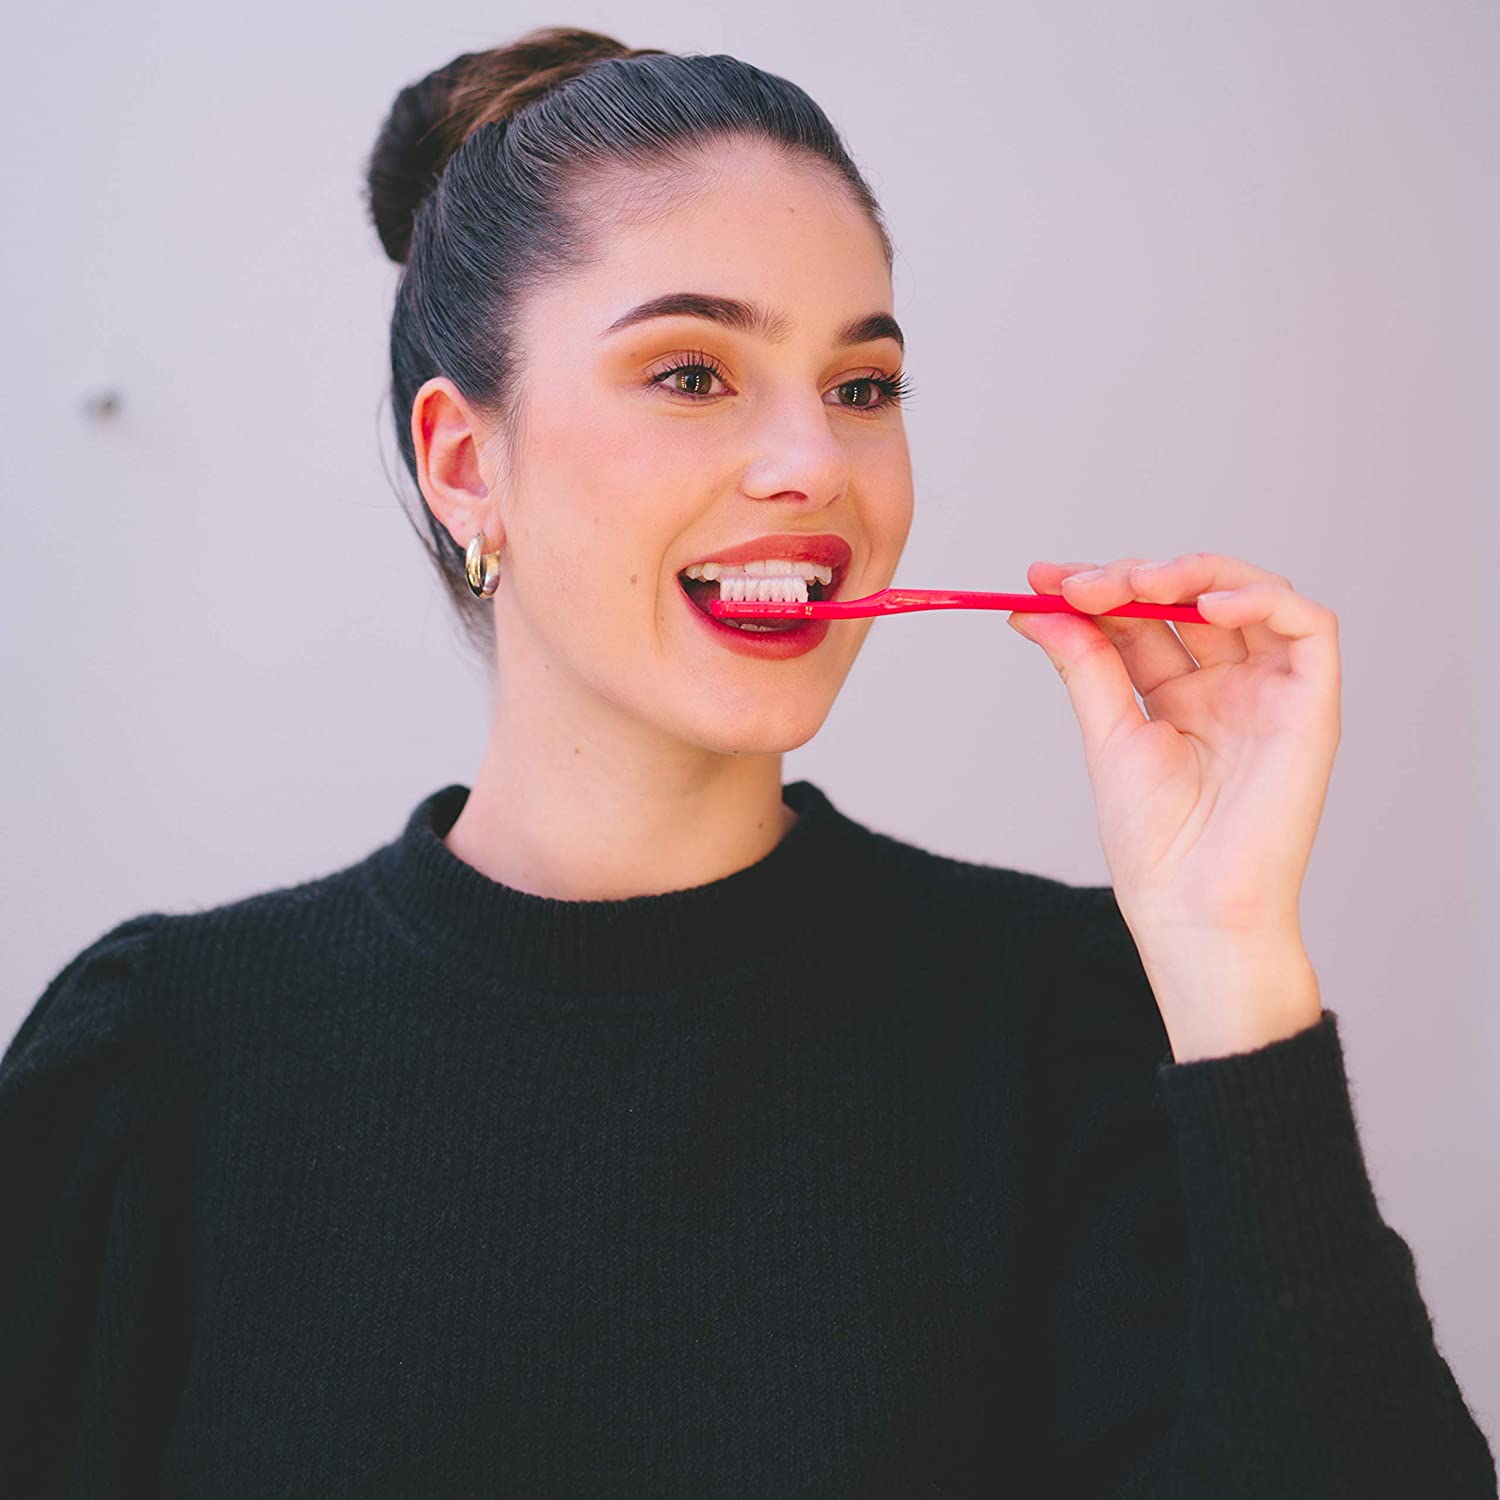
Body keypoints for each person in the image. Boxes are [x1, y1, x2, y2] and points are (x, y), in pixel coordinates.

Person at [2, 25, 1494, 1499]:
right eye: (693, 374)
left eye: (863, 387)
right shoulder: (153, 1074)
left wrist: (1231, 961)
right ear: (466, 462)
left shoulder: (1069, 1022)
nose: (818, 469)